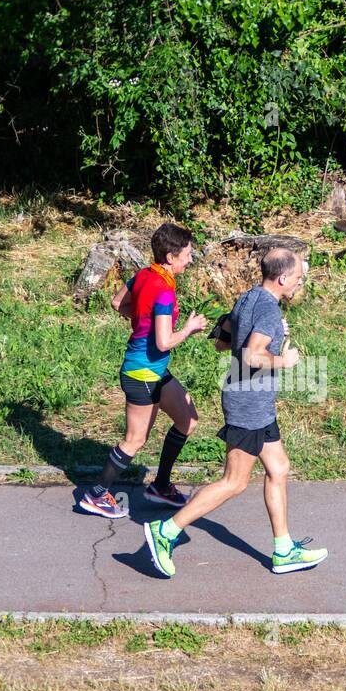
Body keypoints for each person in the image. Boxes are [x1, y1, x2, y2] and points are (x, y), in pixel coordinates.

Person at [143, 247, 327, 577]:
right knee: (234, 482)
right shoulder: (268, 310)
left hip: (254, 400)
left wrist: (262, 338)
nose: (301, 283)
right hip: (249, 404)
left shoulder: (248, 296)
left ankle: (283, 550)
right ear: (283, 278)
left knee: (279, 467)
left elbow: (221, 341)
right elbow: (252, 356)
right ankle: (166, 530)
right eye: (299, 279)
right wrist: (283, 360)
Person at [78, 222, 208, 518]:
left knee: (188, 420)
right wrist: (188, 328)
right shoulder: (163, 291)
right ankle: (96, 495)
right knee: (135, 439)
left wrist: (141, 321)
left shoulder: (144, 275)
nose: (190, 258)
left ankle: (161, 486)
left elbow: (116, 302)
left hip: (155, 373)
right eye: (187, 254)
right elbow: (163, 342)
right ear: (171, 257)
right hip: (142, 374)